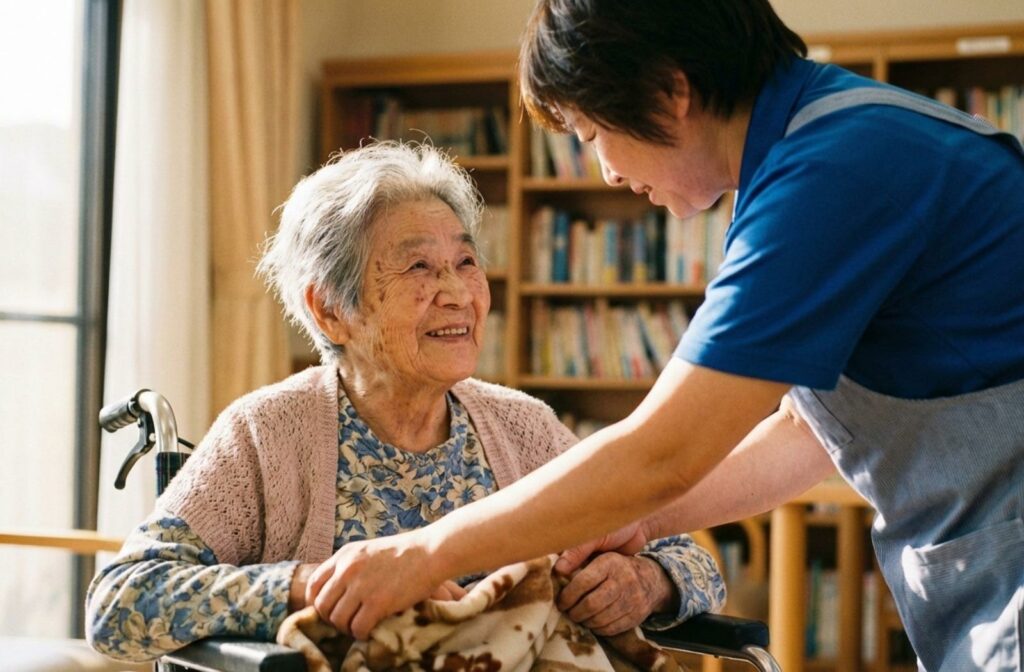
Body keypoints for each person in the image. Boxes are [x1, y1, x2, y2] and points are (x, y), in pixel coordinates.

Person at [298, 3, 1024, 671]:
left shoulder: (833, 174)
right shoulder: (834, 140)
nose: (607, 170)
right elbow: (810, 434)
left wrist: (425, 553)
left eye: (592, 134)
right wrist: (640, 518)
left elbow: (664, 452)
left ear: (669, 93)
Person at [84, 141, 725, 662]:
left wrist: (647, 583)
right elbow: (119, 601)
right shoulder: (267, 433)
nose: (458, 294)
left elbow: (690, 557)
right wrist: (310, 587)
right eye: (420, 269)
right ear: (330, 309)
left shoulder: (523, 428)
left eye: (466, 262)